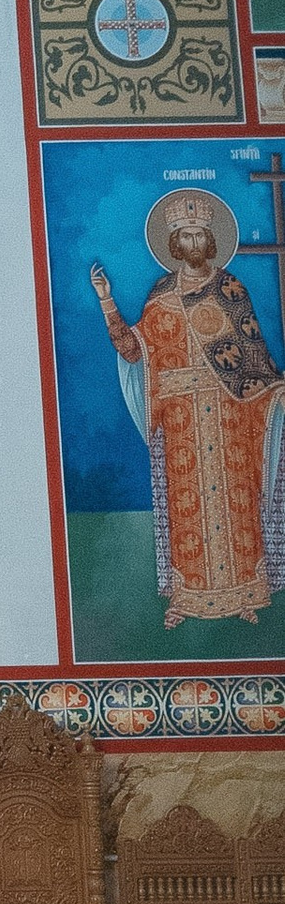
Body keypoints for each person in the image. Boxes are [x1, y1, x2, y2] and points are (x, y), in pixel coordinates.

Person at [91, 195, 285, 629]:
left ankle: (245, 593)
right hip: (180, 421)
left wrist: (274, 386)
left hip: (231, 415)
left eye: (199, 234)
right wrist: (106, 301)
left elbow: (254, 358)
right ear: (175, 244)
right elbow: (132, 350)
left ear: (209, 240)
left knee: (237, 503)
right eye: (185, 235)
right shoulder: (160, 296)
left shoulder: (231, 289)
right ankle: (187, 596)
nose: (194, 241)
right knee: (187, 508)